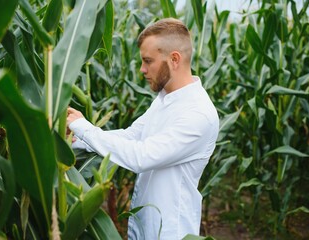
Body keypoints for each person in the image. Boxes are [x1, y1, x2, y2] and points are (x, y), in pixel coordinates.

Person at [67, 18, 219, 240]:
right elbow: (131, 136)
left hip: (168, 231)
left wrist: (82, 127)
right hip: (144, 224)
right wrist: (76, 139)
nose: (142, 69)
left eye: (148, 61)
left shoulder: (198, 114)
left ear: (174, 59)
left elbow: (142, 156)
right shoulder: (166, 97)